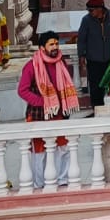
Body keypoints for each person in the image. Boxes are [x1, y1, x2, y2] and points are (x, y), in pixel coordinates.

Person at [17, 32, 79, 188]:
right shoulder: (32, 66)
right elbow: (22, 91)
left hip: (59, 113)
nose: (55, 47)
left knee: (63, 147)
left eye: (56, 44)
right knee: (40, 152)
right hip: (38, 114)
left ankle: (62, 179)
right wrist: (43, 102)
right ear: (42, 47)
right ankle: (40, 183)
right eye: (51, 44)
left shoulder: (61, 63)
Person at [76, 0, 110, 109]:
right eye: (89, 10)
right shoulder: (86, 20)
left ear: (100, 8)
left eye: (92, 10)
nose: (90, 12)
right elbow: (81, 39)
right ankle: (97, 111)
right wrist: (81, 56)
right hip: (94, 61)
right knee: (95, 88)